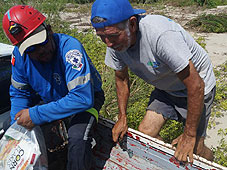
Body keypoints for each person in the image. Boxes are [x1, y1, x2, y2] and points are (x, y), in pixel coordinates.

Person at [90, 0, 216, 163]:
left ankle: (209, 160)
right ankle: (169, 163)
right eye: (102, 37)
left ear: (132, 24)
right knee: (146, 133)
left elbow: (196, 85)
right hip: (166, 88)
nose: (109, 43)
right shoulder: (114, 42)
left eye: (113, 36)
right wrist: (122, 116)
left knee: (195, 148)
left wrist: (190, 135)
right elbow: (121, 78)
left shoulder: (160, 35)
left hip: (197, 87)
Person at [2, 5, 105, 170]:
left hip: (86, 101)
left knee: (78, 139)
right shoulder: (19, 57)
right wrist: (18, 124)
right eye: (31, 49)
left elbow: (82, 99)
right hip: (52, 98)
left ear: (49, 30)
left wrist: (35, 114)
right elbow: (20, 94)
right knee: (10, 126)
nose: (40, 51)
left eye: (41, 42)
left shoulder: (70, 50)